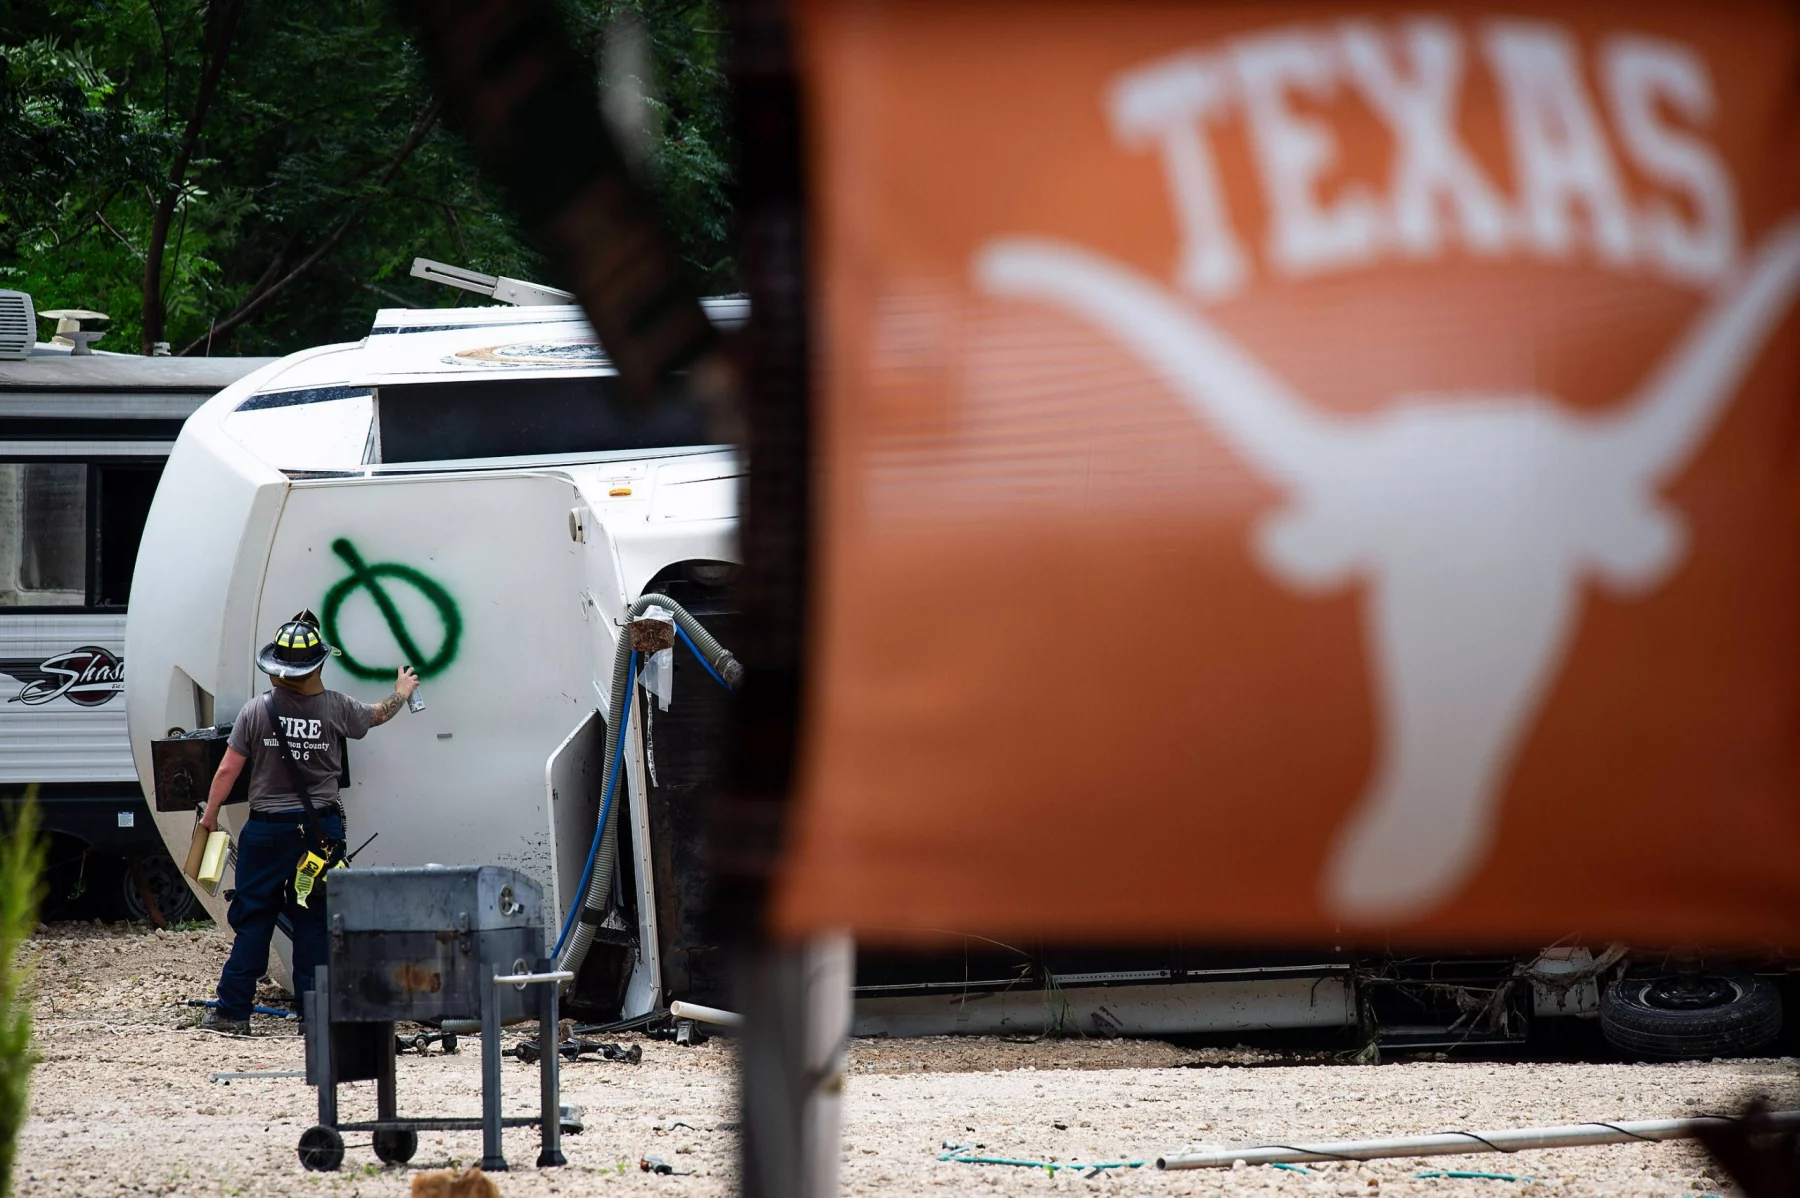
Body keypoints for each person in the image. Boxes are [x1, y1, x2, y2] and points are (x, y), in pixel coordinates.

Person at [197, 610, 418, 1034]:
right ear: (317, 664)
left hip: (265, 834)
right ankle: (315, 1017)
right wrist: (401, 692)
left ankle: (232, 1012)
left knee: (254, 919)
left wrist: (209, 818)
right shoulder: (336, 707)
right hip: (320, 835)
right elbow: (377, 715)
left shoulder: (254, 711)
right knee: (314, 921)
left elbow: (226, 771)